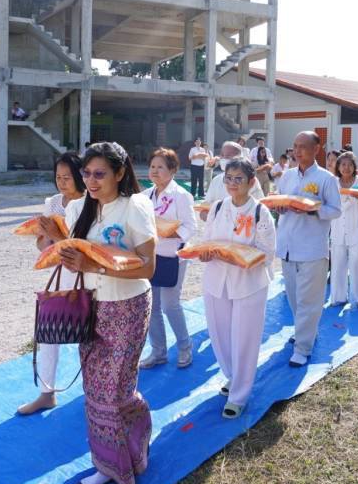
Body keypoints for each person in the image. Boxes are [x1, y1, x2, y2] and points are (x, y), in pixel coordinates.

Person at [59, 142, 158, 484]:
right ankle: (106, 463)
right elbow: (67, 255)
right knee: (95, 391)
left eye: (99, 173)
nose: (91, 180)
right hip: (90, 308)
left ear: (119, 173)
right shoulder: (79, 209)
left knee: (116, 391)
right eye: (86, 173)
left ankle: (134, 443)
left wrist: (95, 264)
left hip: (127, 308)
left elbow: (148, 267)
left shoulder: (134, 208)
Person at [197, 158, 277, 418]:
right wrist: (205, 254)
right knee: (220, 335)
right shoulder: (218, 207)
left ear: (251, 182)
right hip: (217, 281)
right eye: (228, 178)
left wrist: (242, 258)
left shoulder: (259, 212)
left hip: (249, 283)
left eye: (238, 179)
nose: (232, 183)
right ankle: (233, 376)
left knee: (244, 338)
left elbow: (267, 252)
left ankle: (239, 395)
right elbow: (207, 241)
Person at [18, 152, 86, 416]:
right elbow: (42, 244)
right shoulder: (53, 202)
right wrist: (46, 238)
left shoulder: (90, 203)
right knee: (48, 334)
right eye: (58, 177)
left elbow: (84, 245)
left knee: (87, 333)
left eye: (67, 177)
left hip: (85, 275)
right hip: (59, 274)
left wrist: (59, 237)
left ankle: (94, 393)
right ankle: (47, 393)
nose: (62, 182)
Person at [267, 131, 341, 367]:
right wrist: (278, 207)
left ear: (316, 149)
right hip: (287, 245)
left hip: (312, 248)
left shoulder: (326, 178)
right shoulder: (287, 176)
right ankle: (305, 331)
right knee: (294, 297)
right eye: (295, 146)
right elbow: (281, 199)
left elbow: (336, 210)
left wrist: (313, 210)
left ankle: (302, 348)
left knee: (309, 299)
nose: (297, 151)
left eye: (303, 147)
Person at [137, 148, 199, 370]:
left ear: (173, 170)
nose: (154, 171)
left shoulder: (181, 196)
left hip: (174, 257)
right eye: (152, 166)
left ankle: (185, 347)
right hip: (150, 258)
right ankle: (159, 352)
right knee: (151, 307)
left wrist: (169, 233)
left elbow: (191, 226)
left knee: (171, 305)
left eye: (160, 167)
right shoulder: (144, 196)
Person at [330, 152, 358, 308]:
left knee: (355, 263)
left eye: (350, 164)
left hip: (357, 229)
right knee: (338, 263)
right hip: (337, 228)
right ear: (338, 167)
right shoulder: (333, 182)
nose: (346, 168)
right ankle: (339, 297)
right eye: (343, 164)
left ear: (354, 166)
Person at [205, 141, 264, 208]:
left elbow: (259, 205)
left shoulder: (250, 180)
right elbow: (207, 203)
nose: (224, 158)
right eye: (222, 155)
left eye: (228, 155)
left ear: (239, 157)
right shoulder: (216, 180)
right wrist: (205, 213)